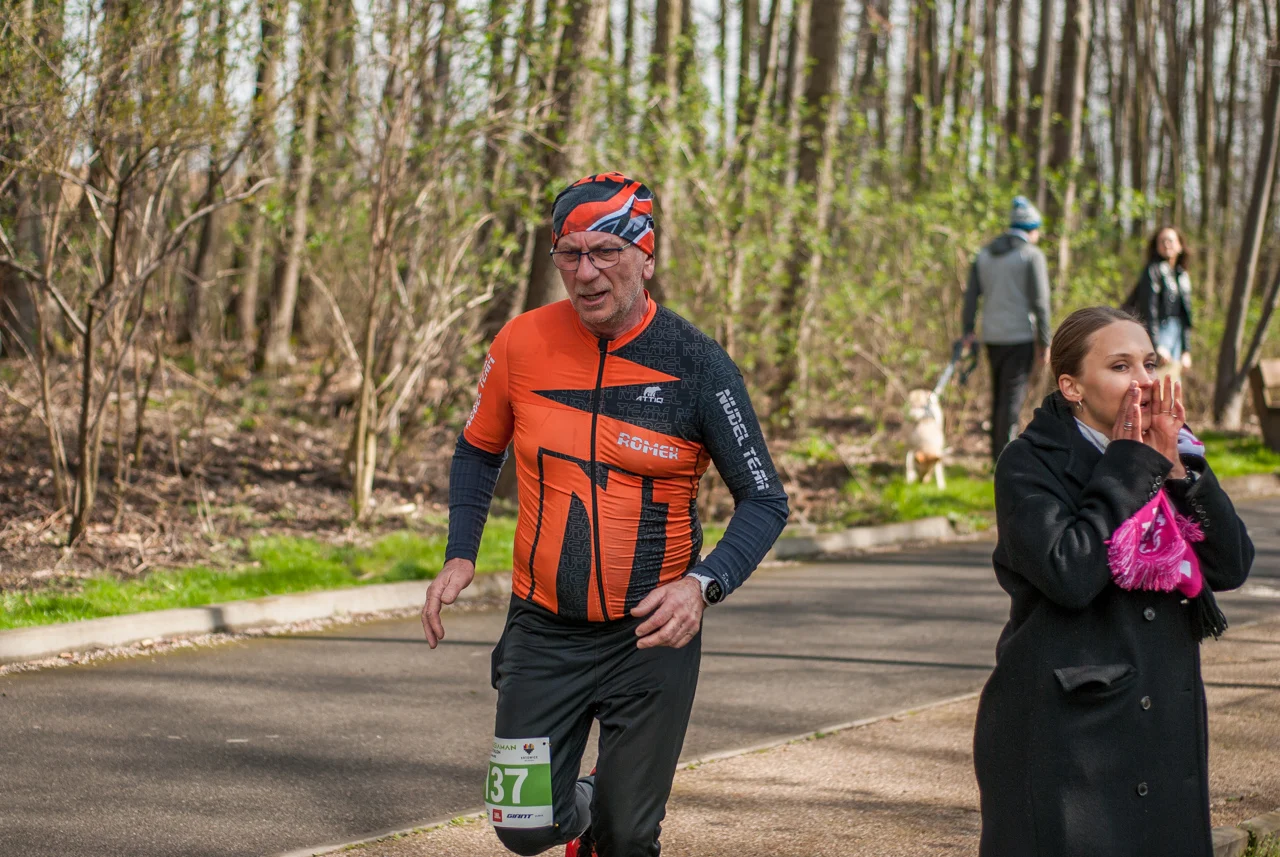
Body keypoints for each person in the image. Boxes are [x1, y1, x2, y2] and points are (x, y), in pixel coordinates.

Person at [421, 172, 789, 857]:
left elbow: (766, 498)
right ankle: (589, 805)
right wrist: (460, 551)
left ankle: (611, 818)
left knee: (628, 837)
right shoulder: (521, 342)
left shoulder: (699, 365)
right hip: (542, 627)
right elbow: (477, 449)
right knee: (521, 822)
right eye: (570, 253)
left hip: (650, 635)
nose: (586, 272)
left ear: (645, 257)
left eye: (606, 252)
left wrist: (703, 584)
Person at [973, 306, 1254, 857]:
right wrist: (1130, 465)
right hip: (1070, 734)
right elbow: (1069, 573)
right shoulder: (1028, 462)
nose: (1143, 381)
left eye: (1149, 363)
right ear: (1072, 387)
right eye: (1121, 366)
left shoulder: (1172, 449)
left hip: (1162, 724)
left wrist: (1179, 472)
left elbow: (1230, 565)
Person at [962, 195, 1053, 464]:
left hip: (992, 336)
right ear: (1031, 229)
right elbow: (1041, 302)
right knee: (1012, 398)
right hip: (1020, 336)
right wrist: (1045, 341)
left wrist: (968, 330)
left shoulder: (984, 254)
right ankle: (1006, 460)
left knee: (999, 396)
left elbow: (971, 297)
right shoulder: (1032, 255)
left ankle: (996, 457)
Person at [1124, 226, 1194, 381]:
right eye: (1162, 241)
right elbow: (1149, 311)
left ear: (1180, 246)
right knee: (1158, 384)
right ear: (1156, 246)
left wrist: (1186, 351)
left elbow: (1185, 317)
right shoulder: (1153, 271)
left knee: (1173, 385)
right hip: (1158, 332)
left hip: (1176, 336)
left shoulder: (1182, 276)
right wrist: (1156, 345)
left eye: (1170, 240)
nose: (1166, 244)